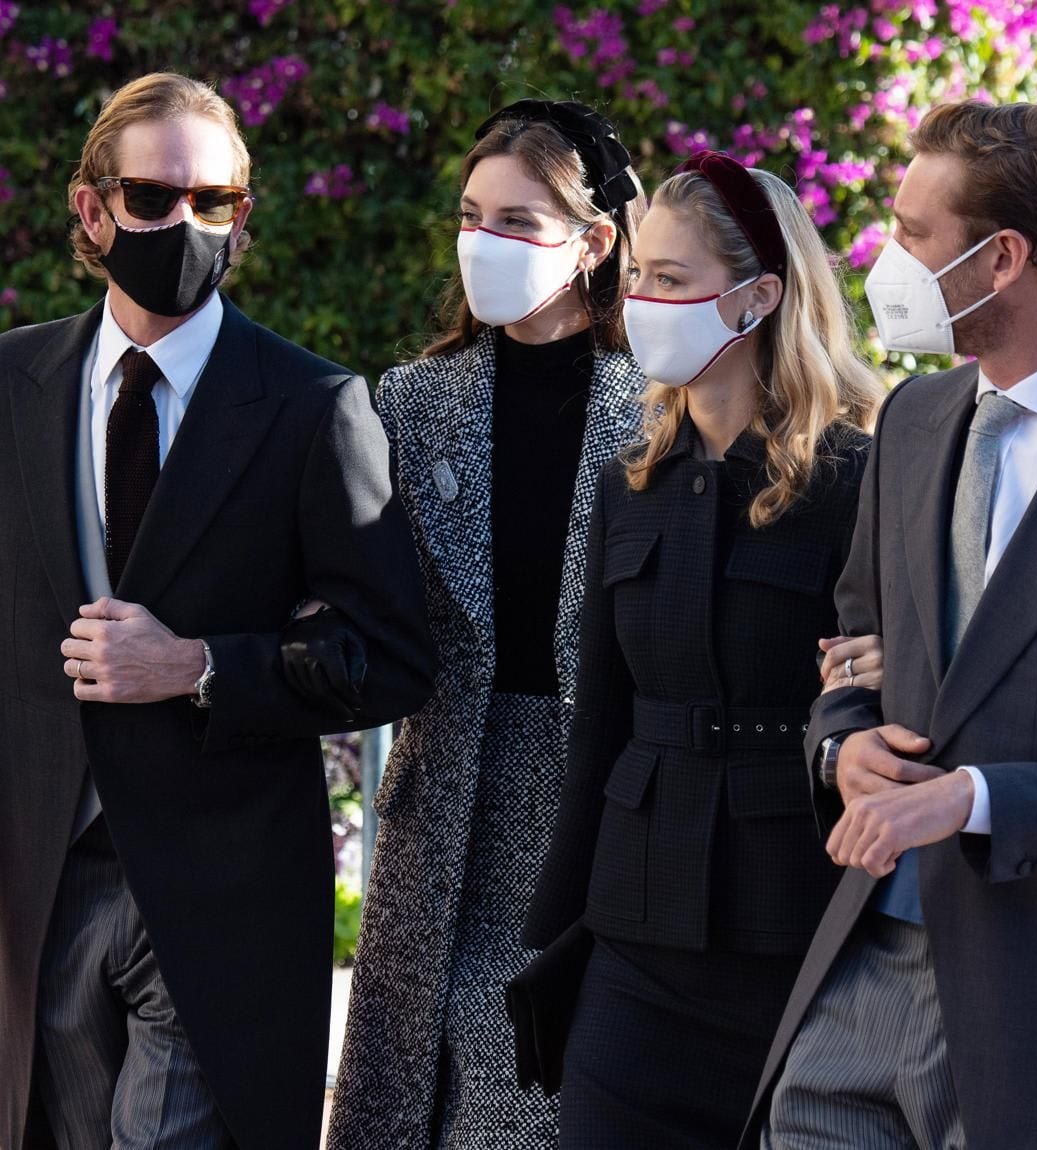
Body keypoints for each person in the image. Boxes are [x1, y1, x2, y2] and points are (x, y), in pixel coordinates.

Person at [0, 73, 436, 1150]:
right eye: (153, 199)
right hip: (37, 891)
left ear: (243, 221)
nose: (183, 224)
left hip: (219, 896)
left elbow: (388, 654)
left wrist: (198, 665)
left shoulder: (313, 407)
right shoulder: (13, 384)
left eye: (214, 203)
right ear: (92, 211)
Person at [742, 100, 1037, 1150]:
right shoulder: (914, 420)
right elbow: (850, 647)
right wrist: (841, 742)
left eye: (914, 234)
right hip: (860, 971)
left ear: (1001, 256)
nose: (887, 257)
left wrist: (963, 800)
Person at [521, 150, 885, 1149]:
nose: (640, 302)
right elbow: (596, 724)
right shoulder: (627, 485)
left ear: (758, 297)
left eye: (670, 281)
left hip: (796, 937)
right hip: (635, 938)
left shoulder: (861, 482)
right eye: (636, 277)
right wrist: (553, 929)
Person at [325, 100, 647, 1150]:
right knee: (420, 1084)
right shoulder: (413, 400)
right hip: (445, 794)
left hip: (590, 793)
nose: (483, 242)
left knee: (537, 1091)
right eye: (471, 215)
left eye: (517, 220)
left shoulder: (658, 406)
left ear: (593, 242)